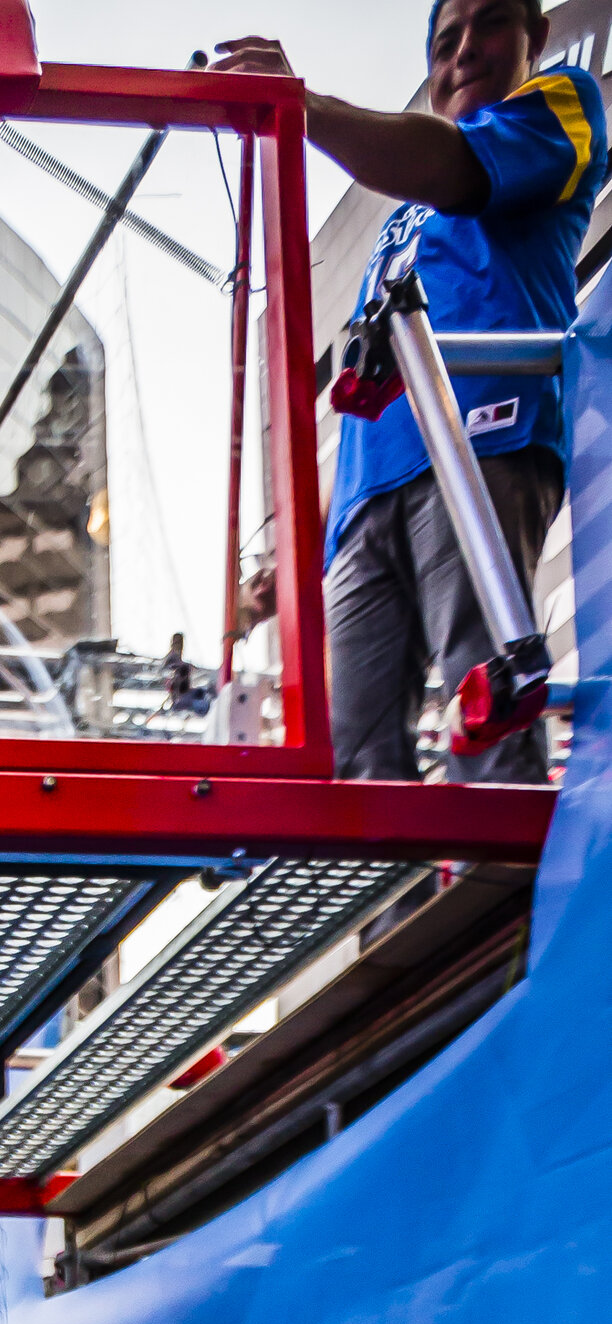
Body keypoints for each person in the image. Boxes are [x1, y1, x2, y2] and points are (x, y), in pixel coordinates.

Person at [218, 5, 605, 780]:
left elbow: (452, 166)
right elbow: (370, 397)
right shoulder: (402, 224)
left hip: (480, 446)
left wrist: (305, 108)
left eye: (487, 26)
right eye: (445, 43)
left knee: (487, 701)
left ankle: (504, 893)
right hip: (369, 503)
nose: (463, 54)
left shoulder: (559, 106)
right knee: (354, 756)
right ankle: (392, 905)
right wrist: (293, 568)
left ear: (534, 35)